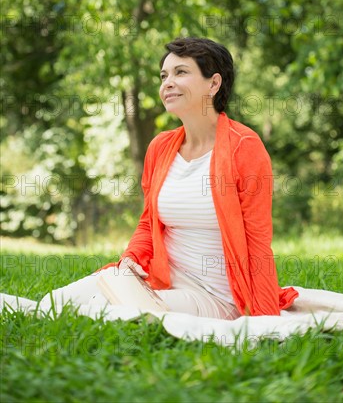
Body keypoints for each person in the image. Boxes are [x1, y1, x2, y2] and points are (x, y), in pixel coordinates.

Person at [11, 37, 300, 319]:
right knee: (55, 302)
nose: (167, 83)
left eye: (181, 72)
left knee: (104, 312)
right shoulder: (161, 147)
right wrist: (131, 260)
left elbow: (257, 240)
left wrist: (264, 320)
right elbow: (149, 223)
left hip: (216, 296)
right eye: (163, 76)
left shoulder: (243, 145)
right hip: (160, 280)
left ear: (213, 83)